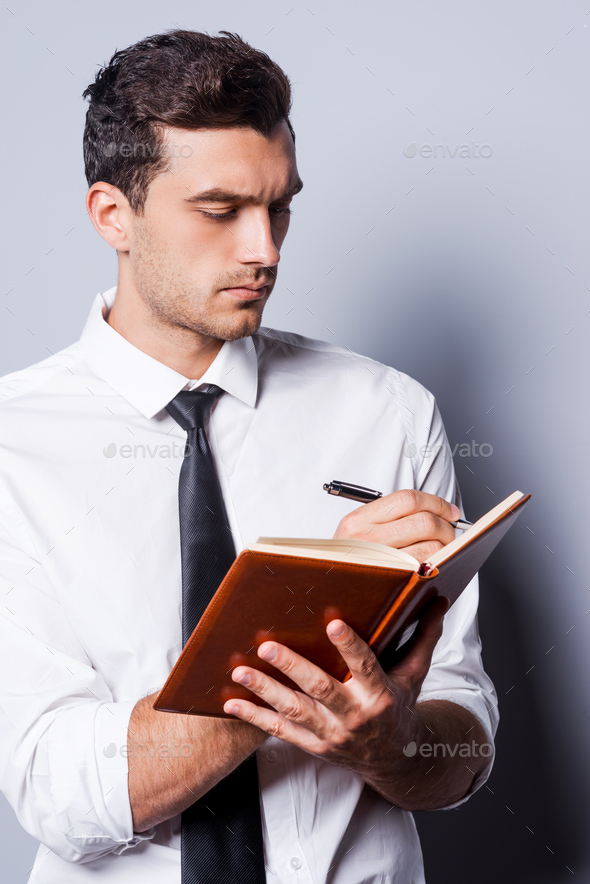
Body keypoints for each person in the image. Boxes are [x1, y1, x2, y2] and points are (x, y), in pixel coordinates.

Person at [0, 29, 498, 884]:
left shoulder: (389, 413)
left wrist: (392, 741)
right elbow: (60, 791)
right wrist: (318, 619)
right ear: (113, 215)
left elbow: (463, 743)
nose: (264, 250)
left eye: (280, 207)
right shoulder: (13, 445)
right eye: (220, 211)